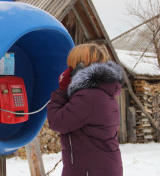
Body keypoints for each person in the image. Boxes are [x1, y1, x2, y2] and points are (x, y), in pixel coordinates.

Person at [47, 43, 123, 176]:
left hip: (89, 170)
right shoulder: (102, 91)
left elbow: (57, 122)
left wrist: (62, 90)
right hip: (100, 168)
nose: (68, 70)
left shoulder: (88, 96)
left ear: (80, 66)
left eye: (72, 66)